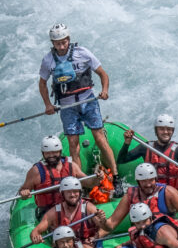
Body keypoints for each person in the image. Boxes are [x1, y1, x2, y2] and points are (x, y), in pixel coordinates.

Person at [38, 23, 120, 184]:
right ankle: (80, 183)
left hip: (88, 102)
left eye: (63, 42)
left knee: (100, 139)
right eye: (57, 43)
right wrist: (48, 104)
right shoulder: (48, 60)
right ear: (52, 43)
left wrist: (105, 90)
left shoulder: (82, 53)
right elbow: (42, 83)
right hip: (67, 107)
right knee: (73, 145)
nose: (61, 46)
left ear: (68, 39)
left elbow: (102, 73)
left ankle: (116, 176)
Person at [100, 162, 178, 233]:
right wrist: (102, 222)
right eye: (144, 181)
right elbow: (112, 223)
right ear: (138, 182)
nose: (148, 184)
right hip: (141, 238)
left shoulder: (168, 192)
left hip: (166, 235)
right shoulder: (130, 196)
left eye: (151, 180)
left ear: (155, 179)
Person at [117, 114, 178, 189]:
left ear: (172, 131)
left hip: (172, 195)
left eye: (169, 129)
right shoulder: (146, 147)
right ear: (156, 131)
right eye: (161, 129)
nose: (166, 132)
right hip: (150, 191)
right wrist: (127, 143)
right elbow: (121, 159)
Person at [18, 135, 91, 218]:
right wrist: (24, 193)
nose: (51, 155)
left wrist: (97, 178)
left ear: (60, 151)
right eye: (48, 153)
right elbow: (23, 190)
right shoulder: (36, 171)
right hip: (49, 211)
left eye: (54, 152)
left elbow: (89, 183)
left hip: (72, 206)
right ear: (43, 153)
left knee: (91, 214)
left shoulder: (71, 166)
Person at [29, 176, 105, 245]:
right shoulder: (54, 213)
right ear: (62, 194)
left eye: (75, 191)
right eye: (68, 192)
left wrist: (96, 237)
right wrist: (36, 237)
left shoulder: (89, 209)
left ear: (80, 193)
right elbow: (36, 231)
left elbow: (106, 227)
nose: (72, 195)